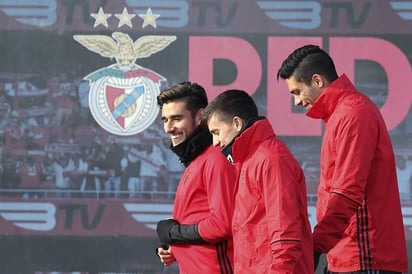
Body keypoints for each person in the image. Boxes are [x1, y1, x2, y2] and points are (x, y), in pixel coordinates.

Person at [277, 44, 408, 273]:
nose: (297, 102)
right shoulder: (341, 114)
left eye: (297, 92)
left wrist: (316, 246)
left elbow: (347, 192)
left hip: (364, 256)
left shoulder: (353, 114)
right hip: (347, 255)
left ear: (317, 81)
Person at [202, 89, 313, 273]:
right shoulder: (250, 160)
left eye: (216, 132)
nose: (215, 142)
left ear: (237, 123)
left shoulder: (270, 158)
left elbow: (285, 233)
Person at [155, 81, 235, 273]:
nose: (168, 128)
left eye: (176, 118)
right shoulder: (197, 161)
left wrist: (174, 233)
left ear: (199, 116)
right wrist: (174, 249)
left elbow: (222, 225)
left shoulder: (215, 159)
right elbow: (198, 219)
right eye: (165, 120)